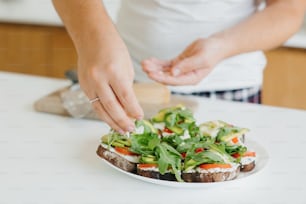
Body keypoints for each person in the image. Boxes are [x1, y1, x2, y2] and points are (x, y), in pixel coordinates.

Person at [52, 0, 306, 133]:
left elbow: (289, 7)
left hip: (231, 89)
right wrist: (93, 41)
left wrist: (222, 45)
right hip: (130, 84)